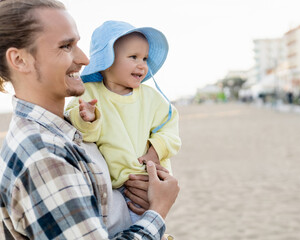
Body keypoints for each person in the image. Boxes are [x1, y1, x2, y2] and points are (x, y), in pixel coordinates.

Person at [0, 0, 179, 239]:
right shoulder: (43, 157)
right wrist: (158, 210)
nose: (85, 59)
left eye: (78, 44)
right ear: (20, 60)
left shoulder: (63, 127)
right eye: (66, 46)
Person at [65, 21, 181, 223]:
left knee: (151, 225)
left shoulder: (150, 98)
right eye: (133, 57)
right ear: (107, 60)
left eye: (145, 58)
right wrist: (88, 119)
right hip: (116, 188)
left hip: (149, 179)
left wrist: (154, 153)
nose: (142, 65)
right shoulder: (89, 92)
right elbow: (85, 134)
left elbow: (169, 128)